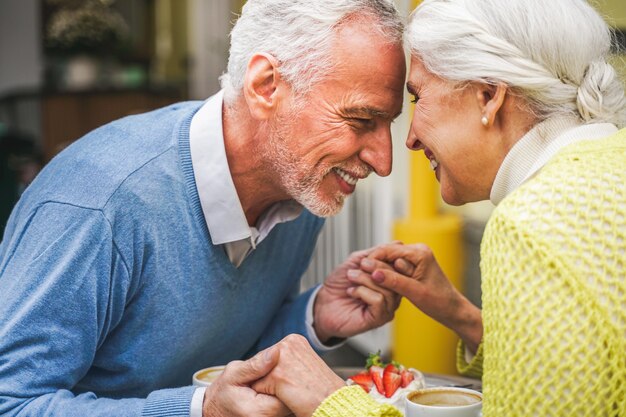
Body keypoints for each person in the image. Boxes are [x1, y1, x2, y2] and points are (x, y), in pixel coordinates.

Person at [0, 1, 407, 416]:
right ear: (266, 85)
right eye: (360, 121)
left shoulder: (300, 188)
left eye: (389, 124)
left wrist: (314, 318)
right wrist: (198, 410)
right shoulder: (101, 205)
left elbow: (230, 360)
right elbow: (9, 403)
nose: (383, 161)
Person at [246, 0, 626, 416]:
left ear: (488, 95)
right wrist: (461, 315)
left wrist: (332, 403)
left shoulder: (531, 223)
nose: (408, 141)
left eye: (417, 97)